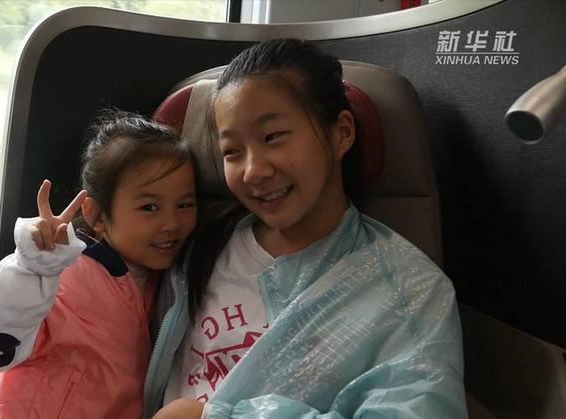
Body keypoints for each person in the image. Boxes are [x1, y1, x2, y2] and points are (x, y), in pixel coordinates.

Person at [144, 39, 466, 418]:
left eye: (273, 137)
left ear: (341, 133)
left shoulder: (410, 291)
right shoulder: (194, 243)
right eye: (232, 151)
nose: (253, 171)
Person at [0, 110, 198, 419]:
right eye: (150, 207)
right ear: (96, 215)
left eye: (185, 204)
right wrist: (31, 270)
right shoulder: (67, 277)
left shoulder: (170, 282)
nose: (172, 223)